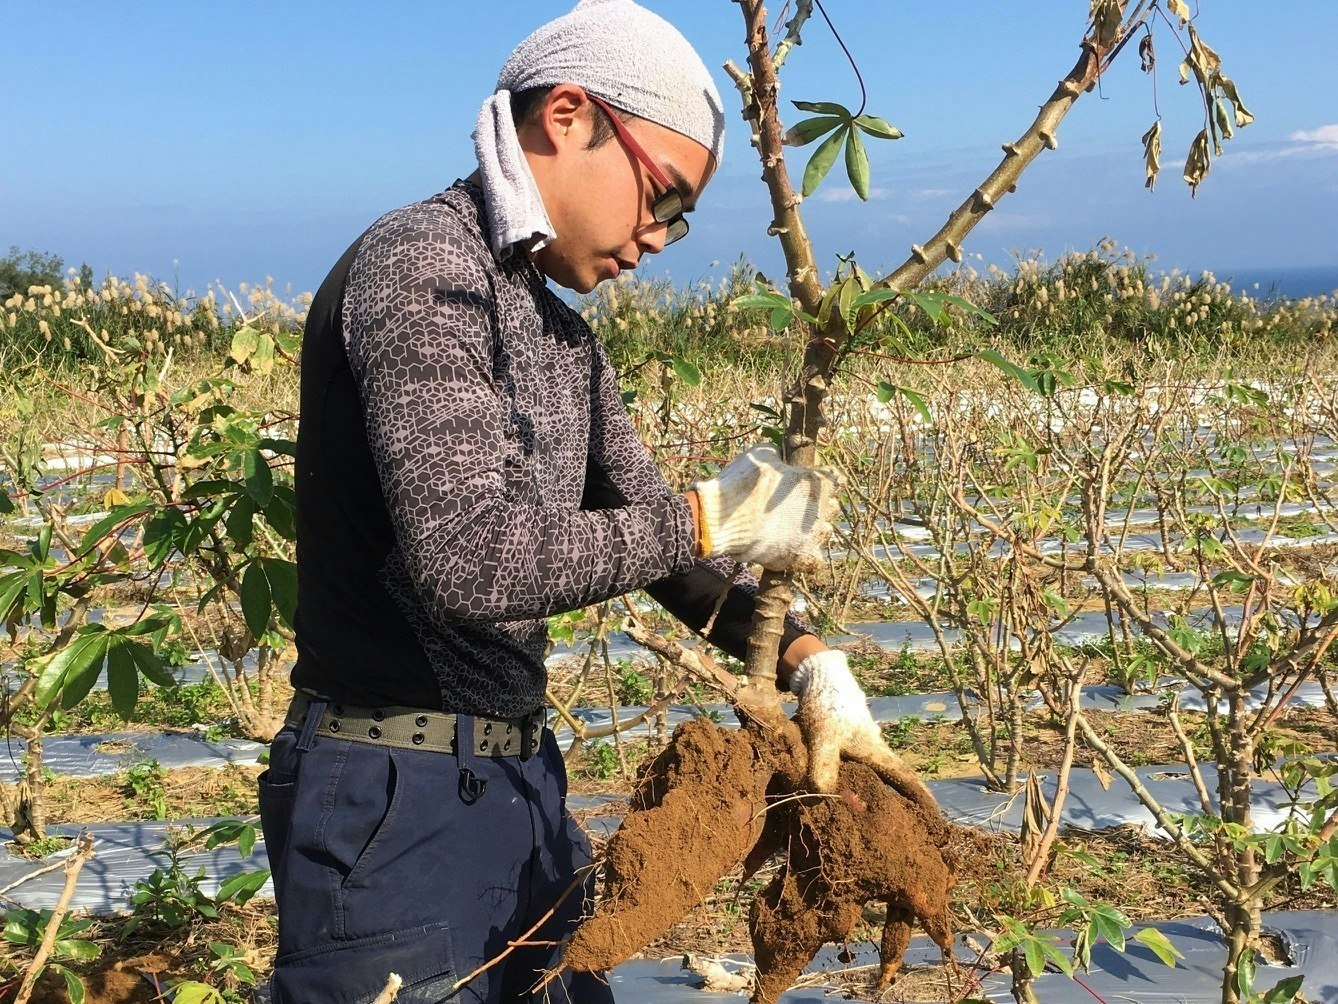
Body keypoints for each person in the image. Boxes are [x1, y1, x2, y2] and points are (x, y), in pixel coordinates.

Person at [258, 1, 900, 1001]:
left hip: (518, 784)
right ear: (568, 117)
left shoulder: (565, 340)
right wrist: (709, 510)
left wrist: (815, 663)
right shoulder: (422, 267)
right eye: (662, 196)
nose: (659, 236)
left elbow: (668, 548)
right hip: (389, 799)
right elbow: (472, 556)